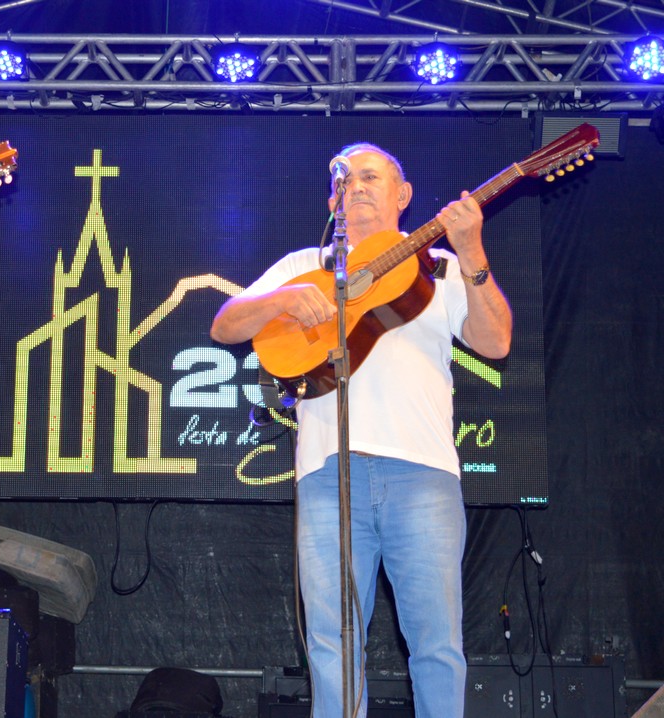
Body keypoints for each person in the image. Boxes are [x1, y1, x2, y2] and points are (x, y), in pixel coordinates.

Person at [210, 143, 512, 718]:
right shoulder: (305, 264)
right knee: (333, 642)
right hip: (329, 475)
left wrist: (470, 248)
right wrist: (284, 298)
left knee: (436, 645)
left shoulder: (442, 267)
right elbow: (226, 324)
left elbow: (496, 342)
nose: (359, 187)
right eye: (347, 181)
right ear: (334, 199)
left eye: (373, 177)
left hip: (422, 473)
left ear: (403, 196)